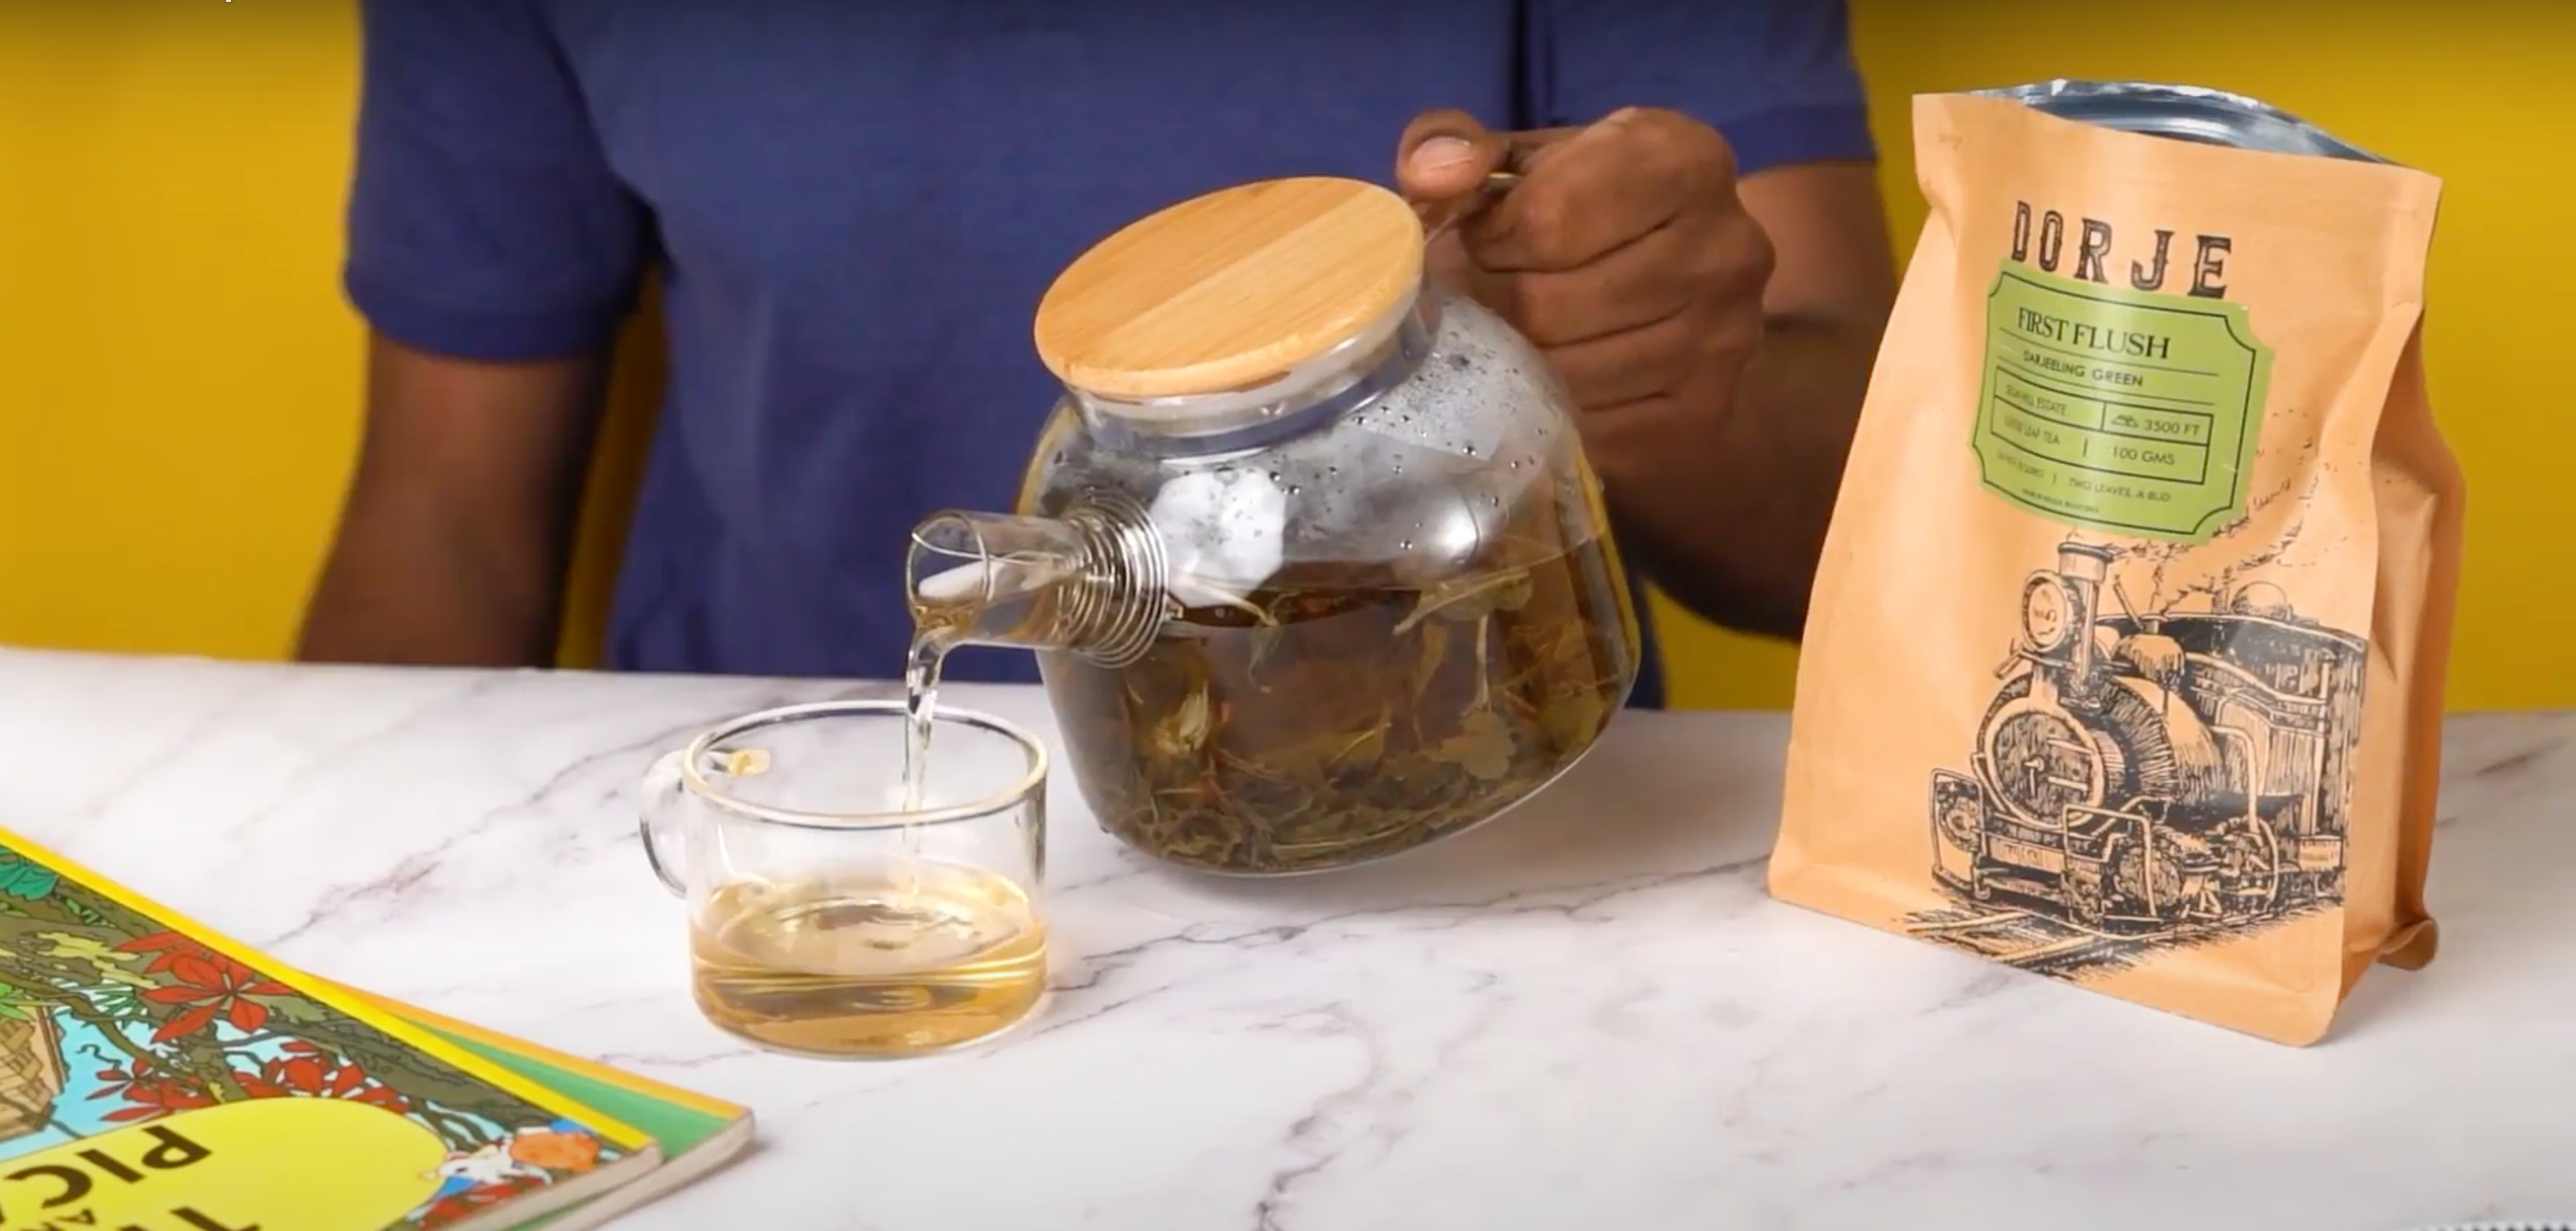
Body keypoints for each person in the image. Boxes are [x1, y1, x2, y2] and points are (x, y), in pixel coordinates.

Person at [295, 0, 1898, 707]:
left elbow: (1843, 530)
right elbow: (445, 511)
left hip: (1466, 819)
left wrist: (1658, 376)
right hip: (802, 820)